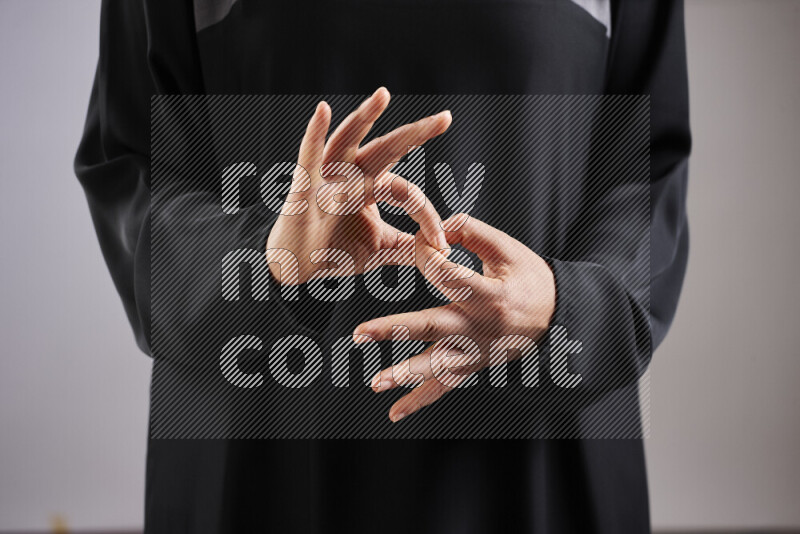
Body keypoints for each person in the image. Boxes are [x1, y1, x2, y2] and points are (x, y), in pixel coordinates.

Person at [75, 0, 690, 532]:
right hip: (261, 468)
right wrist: (265, 262)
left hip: (541, 461)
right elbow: (133, 167)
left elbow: (647, 162)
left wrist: (564, 305)